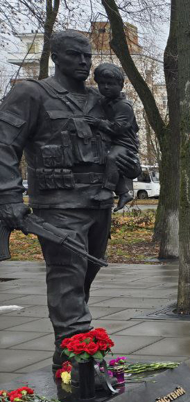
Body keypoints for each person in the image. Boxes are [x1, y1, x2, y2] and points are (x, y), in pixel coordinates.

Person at [0, 31, 140, 372]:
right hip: (57, 206)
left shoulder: (102, 101)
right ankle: (78, 358)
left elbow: (126, 141)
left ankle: (71, 346)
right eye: (76, 55)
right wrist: (9, 195)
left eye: (87, 57)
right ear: (56, 57)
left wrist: (127, 172)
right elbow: (4, 144)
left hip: (98, 203)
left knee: (83, 279)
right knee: (66, 276)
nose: (83, 62)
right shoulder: (32, 93)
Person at [86, 63, 136, 211]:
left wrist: (99, 123)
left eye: (110, 84)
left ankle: (107, 191)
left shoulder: (123, 105)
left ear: (120, 85)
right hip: (113, 142)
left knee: (112, 158)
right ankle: (123, 193)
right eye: (102, 84)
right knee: (111, 164)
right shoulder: (104, 101)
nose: (106, 87)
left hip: (125, 144)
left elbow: (119, 128)